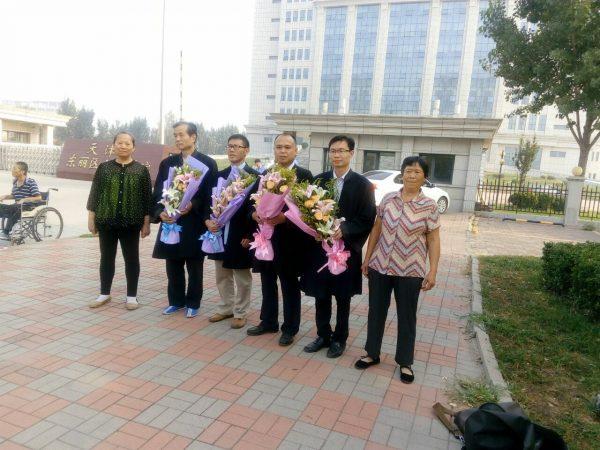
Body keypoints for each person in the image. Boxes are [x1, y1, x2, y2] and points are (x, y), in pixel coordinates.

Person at [355, 156, 441, 384]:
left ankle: (405, 362)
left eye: (417, 172)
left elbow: (433, 240)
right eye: (408, 171)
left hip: (410, 270)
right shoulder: (388, 199)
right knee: (376, 312)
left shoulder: (429, 206)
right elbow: (377, 229)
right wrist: (367, 257)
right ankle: (372, 353)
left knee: (406, 317)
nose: (411, 175)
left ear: (424, 177)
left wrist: (432, 271)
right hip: (380, 266)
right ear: (402, 173)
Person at [302, 136, 376, 358]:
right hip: (321, 250)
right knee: (321, 295)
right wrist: (315, 229)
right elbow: (306, 213)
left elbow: (367, 218)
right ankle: (323, 335)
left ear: (351, 153)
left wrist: (345, 229)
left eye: (342, 151)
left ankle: (339, 338)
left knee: (343, 297)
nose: (337, 155)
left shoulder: (363, 185)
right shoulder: (319, 181)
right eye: (333, 151)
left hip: (346, 251)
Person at [246, 133, 313, 346]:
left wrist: (284, 218)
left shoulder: (303, 175)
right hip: (266, 237)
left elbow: (307, 209)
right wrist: (254, 213)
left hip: (289, 240)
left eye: (287, 147)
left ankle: (290, 328)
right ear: (274, 149)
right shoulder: (266, 173)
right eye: (279, 147)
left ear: (295, 150)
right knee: (267, 281)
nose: (282, 151)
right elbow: (255, 201)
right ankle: (268, 321)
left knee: (289, 284)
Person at [151, 121, 217, 318]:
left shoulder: (207, 163)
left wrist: (193, 204)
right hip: (171, 222)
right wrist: (159, 212)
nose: (178, 139)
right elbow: (158, 193)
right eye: (175, 135)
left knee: (195, 265)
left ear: (193, 136)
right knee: (173, 265)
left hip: (194, 222)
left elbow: (211, 195)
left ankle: (193, 302)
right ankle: (176, 301)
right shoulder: (168, 163)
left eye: (181, 135)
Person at [87, 132, 152, 310]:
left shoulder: (141, 170)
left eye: (127, 143)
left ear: (133, 147)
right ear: (113, 145)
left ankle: (131, 296)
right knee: (106, 258)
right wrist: (91, 218)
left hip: (131, 223)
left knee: (132, 259)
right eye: (119, 143)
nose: (123, 146)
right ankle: (104, 294)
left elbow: (147, 199)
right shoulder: (104, 168)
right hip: (106, 220)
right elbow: (95, 193)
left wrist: (146, 223)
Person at [206, 134, 259, 329]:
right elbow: (209, 202)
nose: (232, 150)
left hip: (240, 234)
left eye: (237, 146)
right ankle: (226, 307)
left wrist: (250, 234)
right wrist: (208, 222)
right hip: (220, 232)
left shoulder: (255, 177)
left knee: (242, 276)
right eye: (229, 146)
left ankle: (241, 311)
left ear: (246, 150)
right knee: (222, 273)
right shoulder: (219, 175)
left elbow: (257, 208)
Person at [0, 162, 42, 238]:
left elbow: (38, 197)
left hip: (27, 207)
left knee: (10, 208)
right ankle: (6, 231)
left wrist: (25, 199)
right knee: (7, 208)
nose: (12, 170)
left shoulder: (30, 182)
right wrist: (5, 196)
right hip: (17, 206)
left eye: (15, 169)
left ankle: (6, 231)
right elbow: (14, 195)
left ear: (22, 171)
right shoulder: (15, 182)